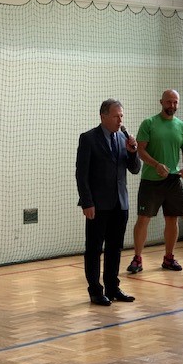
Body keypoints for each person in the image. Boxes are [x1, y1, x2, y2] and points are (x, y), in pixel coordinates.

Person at [76, 99, 141, 306]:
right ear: (103, 116)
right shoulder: (88, 138)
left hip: (120, 204)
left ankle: (113, 288)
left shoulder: (123, 138)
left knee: (115, 248)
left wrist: (133, 152)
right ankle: (96, 291)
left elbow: (135, 169)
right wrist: (87, 202)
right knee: (94, 249)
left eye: (121, 116)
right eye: (116, 116)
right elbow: (81, 174)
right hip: (97, 205)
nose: (120, 120)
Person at [128, 89, 183, 274]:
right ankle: (137, 259)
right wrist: (156, 165)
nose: (172, 105)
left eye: (175, 102)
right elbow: (140, 151)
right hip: (151, 181)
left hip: (173, 180)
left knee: (172, 219)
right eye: (169, 102)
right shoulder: (149, 123)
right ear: (161, 102)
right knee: (143, 219)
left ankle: (169, 258)